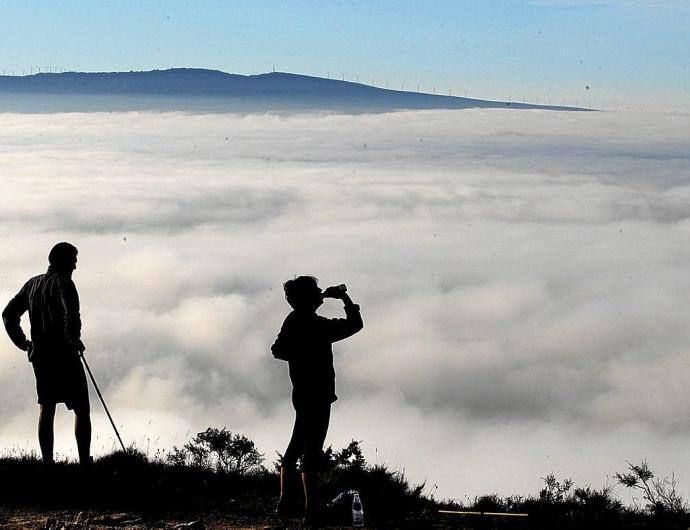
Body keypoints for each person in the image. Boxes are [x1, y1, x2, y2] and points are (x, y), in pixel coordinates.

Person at [272, 275, 363, 524]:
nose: (321, 292)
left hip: (302, 392)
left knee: (296, 448)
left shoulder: (294, 320)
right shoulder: (316, 326)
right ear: (308, 297)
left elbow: (278, 349)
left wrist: (299, 353)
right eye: (316, 290)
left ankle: (286, 505)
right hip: (318, 394)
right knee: (310, 452)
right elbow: (355, 324)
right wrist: (344, 297)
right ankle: (310, 512)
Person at [2, 242, 91, 465]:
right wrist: (74, 338)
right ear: (64, 261)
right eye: (73, 261)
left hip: (40, 356)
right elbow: (72, 315)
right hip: (64, 355)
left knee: (47, 406)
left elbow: (8, 314)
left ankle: (47, 462)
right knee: (81, 407)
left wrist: (24, 344)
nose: (75, 267)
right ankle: (83, 462)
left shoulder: (32, 284)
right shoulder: (65, 284)